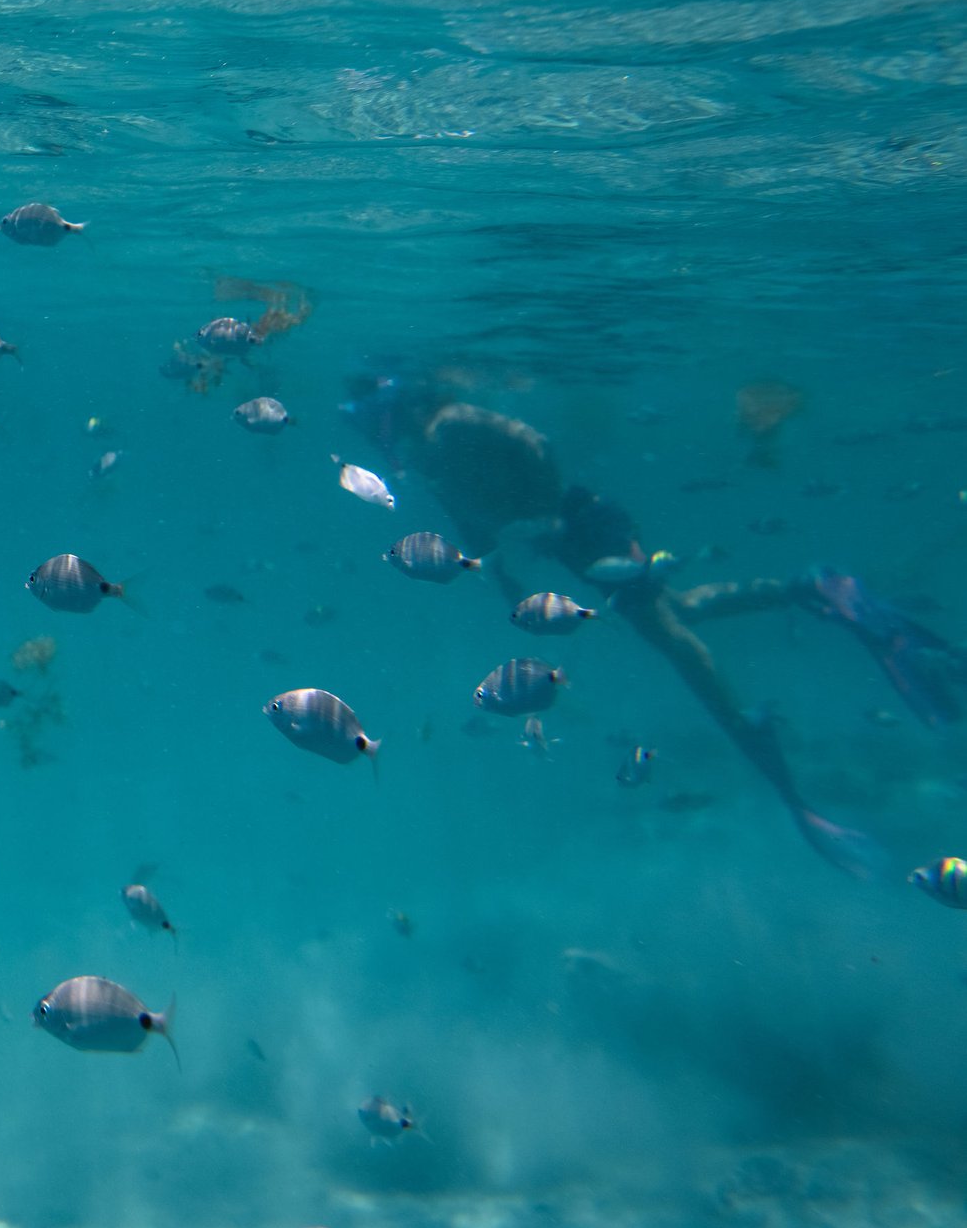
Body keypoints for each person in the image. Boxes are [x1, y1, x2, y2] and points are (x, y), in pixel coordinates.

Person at [343, 375, 961, 876]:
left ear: (388, 410)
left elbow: (533, 443)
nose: (370, 434)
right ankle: (805, 587)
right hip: (573, 538)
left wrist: (547, 512)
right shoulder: (427, 458)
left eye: (370, 419)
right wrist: (505, 577)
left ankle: (756, 735)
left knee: (673, 641)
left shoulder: (447, 425)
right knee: (681, 610)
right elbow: (476, 525)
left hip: (588, 527)